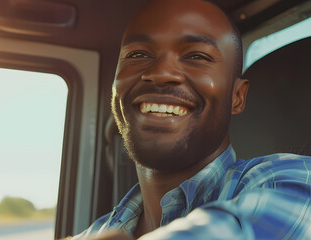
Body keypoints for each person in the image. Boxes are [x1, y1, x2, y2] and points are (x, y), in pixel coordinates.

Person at [71, 0, 311, 239]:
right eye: (138, 54)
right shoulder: (94, 232)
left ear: (237, 96)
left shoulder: (292, 182)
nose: (161, 73)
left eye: (197, 56)